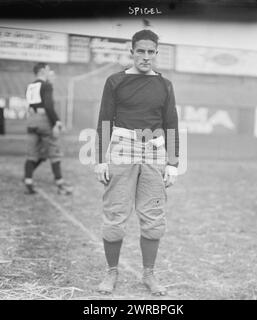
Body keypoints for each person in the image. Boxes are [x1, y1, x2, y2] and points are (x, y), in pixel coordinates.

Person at [94, 30, 179, 295]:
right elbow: (105, 119)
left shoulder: (164, 85)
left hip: (154, 151)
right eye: (140, 51)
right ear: (131, 51)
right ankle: (111, 273)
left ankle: (149, 274)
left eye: (150, 52)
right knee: (116, 214)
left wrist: (173, 163)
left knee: (153, 216)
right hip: (122, 149)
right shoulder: (115, 81)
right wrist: (100, 160)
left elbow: (171, 124)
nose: (145, 57)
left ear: (156, 53)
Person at [23, 62, 73, 195]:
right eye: (48, 69)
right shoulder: (46, 85)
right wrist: (56, 122)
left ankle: (28, 181)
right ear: (42, 70)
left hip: (31, 120)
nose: (49, 71)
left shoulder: (30, 86)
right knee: (54, 152)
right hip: (43, 120)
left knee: (32, 154)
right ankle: (60, 185)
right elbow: (48, 106)